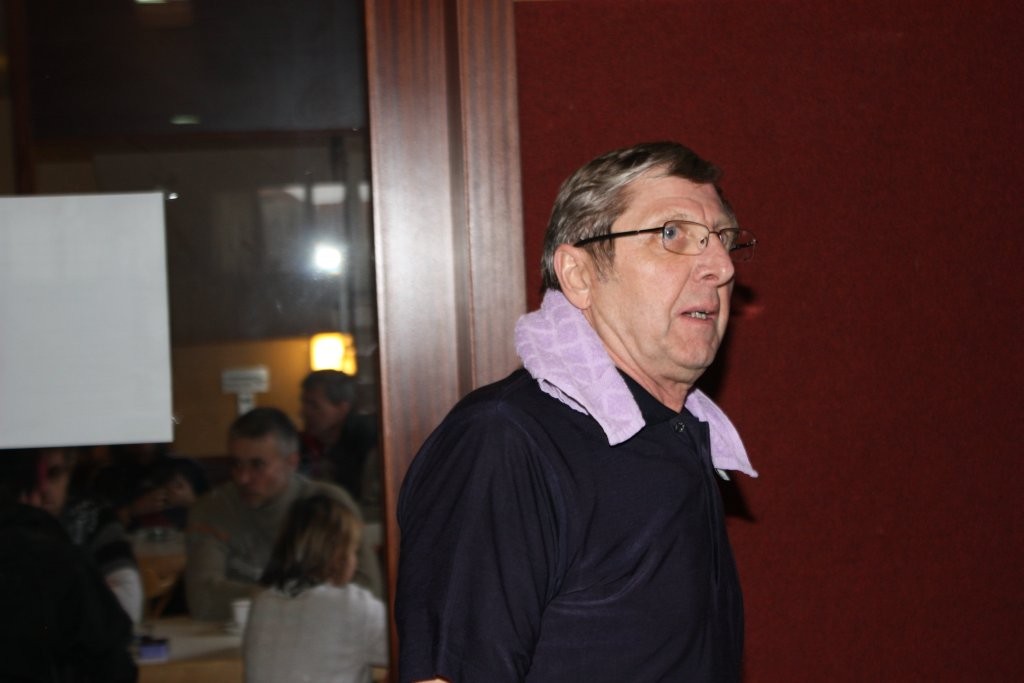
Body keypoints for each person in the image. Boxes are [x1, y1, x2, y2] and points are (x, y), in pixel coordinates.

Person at [396, 141, 760, 682]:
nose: (721, 267)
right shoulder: (505, 441)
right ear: (579, 274)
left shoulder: (682, 433)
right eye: (672, 234)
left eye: (723, 239)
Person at [185, 406, 383, 620]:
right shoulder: (212, 509)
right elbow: (202, 598)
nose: (242, 478)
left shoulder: (330, 504)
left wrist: (267, 598)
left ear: (292, 462)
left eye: (257, 465)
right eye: (236, 464)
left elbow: (368, 588)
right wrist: (302, 598)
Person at [0, 449, 137, 683]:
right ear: (35, 488)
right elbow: (111, 661)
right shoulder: (60, 561)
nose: (48, 489)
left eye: (56, 473)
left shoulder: (92, 520)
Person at [243, 494, 388, 683]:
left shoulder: (262, 602)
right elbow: (413, 653)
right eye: (354, 550)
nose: (356, 561)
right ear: (339, 555)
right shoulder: (352, 605)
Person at [37, 447, 144, 626]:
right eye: (33, 479)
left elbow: (127, 605)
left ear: (69, 470)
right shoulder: (9, 523)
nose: (44, 487)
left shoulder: (94, 517)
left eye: (54, 474)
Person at [299, 370, 380, 516]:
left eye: (314, 405)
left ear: (342, 408)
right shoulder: (305, 443)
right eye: (304, 403)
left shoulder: (368, 442)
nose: (304, 412)